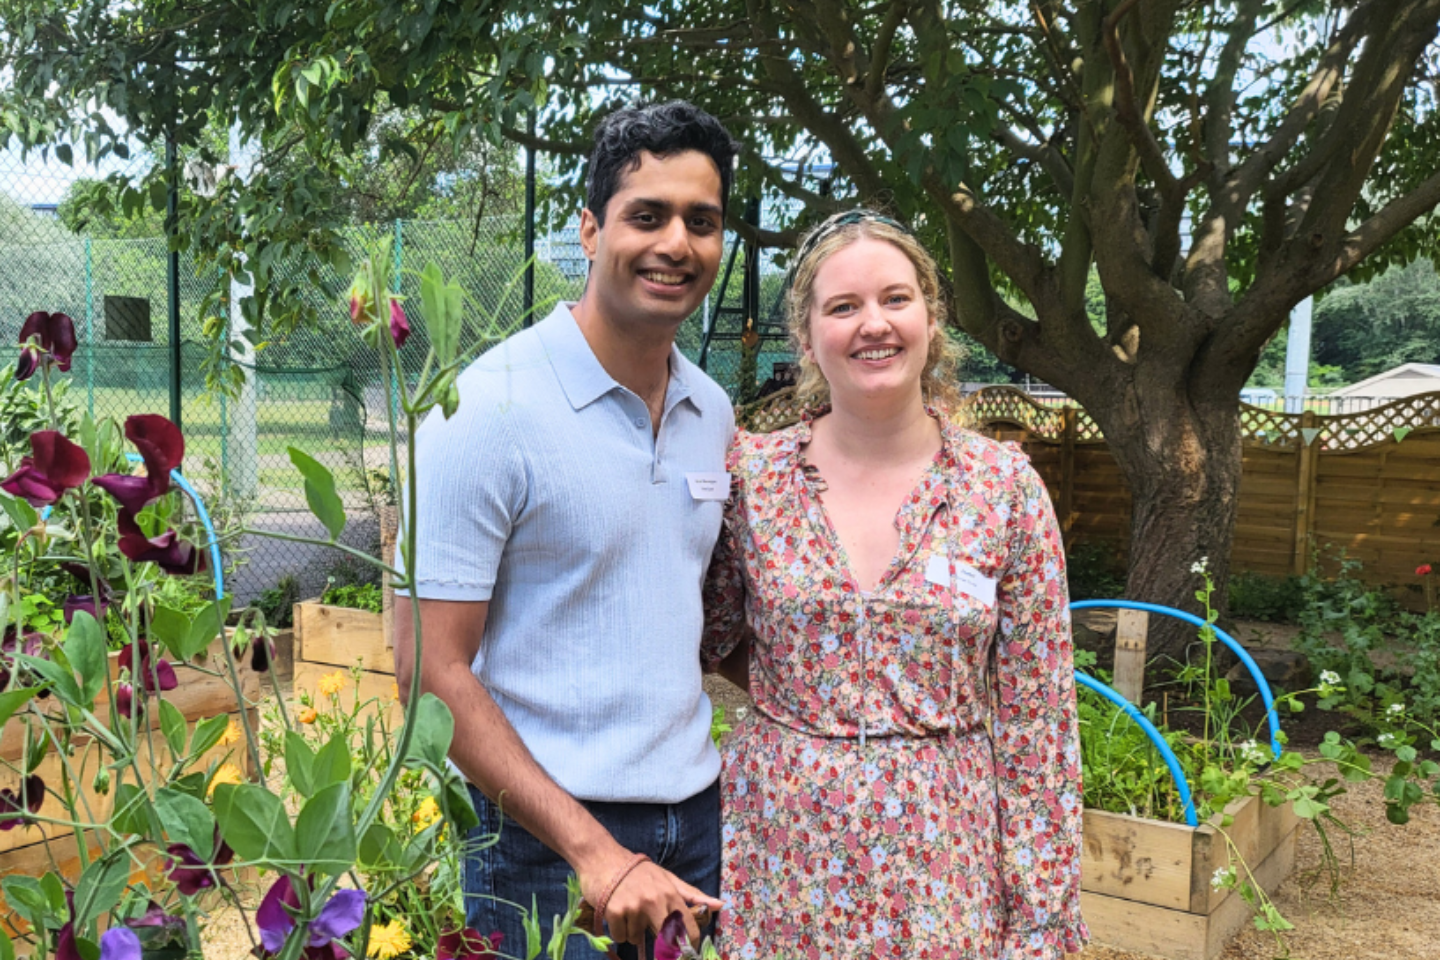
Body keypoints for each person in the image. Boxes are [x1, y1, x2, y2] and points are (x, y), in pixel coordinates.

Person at [393, 101, 737, 958]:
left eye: (701, 221)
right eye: (647, 216)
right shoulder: (489, 410)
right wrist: (594, 853)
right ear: (589, 230)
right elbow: (426, 668)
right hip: (544, 848)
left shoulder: (712, 412)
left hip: (695, 827)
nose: (676, 243)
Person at [702, 210, 1088, 958]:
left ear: (932, 320)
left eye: (895, 299)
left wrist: (1040, 919)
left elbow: (1039, 719)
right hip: (783, 856)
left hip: (945, 864)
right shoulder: (751, 479)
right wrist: (817, 702)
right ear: (807, 336)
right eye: (843, 306)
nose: (873, 324)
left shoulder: (1002, 490)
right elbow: (706, 635)